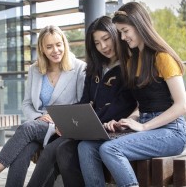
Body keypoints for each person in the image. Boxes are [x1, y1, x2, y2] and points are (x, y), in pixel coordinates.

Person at [78, 1, 186, 187]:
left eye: (124, 31)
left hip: (172, 131)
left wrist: (144, 128)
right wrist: (127, 121)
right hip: (146, 124)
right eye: (120, 32)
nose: (122, 37)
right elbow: (142, 105)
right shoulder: (132, 62)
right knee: (86, 147)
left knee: (110, 149)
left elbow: (182, 105)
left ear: (139, 26)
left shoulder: (163, 58)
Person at [0, 25, 86, 187]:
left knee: (26, 129)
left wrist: (60, 119)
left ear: (64, 44)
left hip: (61, 129)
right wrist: (37, 117)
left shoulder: (79, 68)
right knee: (23, 150)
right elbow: (27, 103)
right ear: (42, 49)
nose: (55, 50)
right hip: (39, 123)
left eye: (58, 44)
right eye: (49, 47)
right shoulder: (35, 70)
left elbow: (82, 103)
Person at [26, 16, 137, 187]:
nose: (103, 47)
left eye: (106, 39)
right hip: (90, 127)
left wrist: (91, 121)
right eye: (97, 43)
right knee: (59, 149)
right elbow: (85, 101)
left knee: (60, 149)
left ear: (116, 35)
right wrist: (65, 121)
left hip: (114, 130)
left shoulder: (130, 67)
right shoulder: (94, 68)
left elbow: (123, 106)